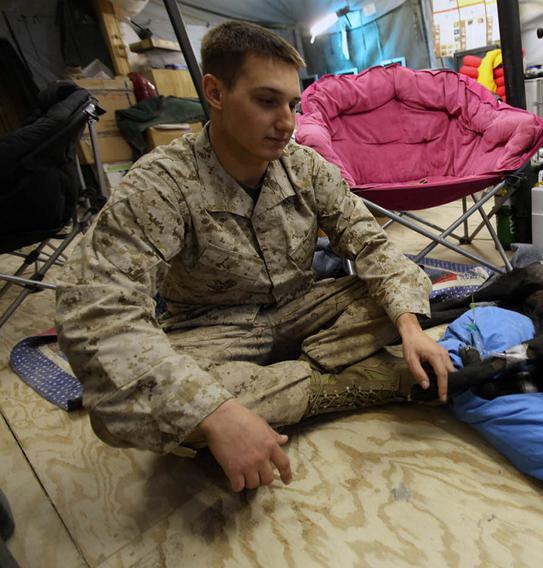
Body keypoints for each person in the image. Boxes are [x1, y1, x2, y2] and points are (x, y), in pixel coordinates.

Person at [55, 21, 453, 493]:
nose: (287, 122)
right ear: (216, 92)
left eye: (292, 105)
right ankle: (331, 383)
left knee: (402, 286)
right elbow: (97, 311)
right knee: (128, 397)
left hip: (303, 311)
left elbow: (370, 244)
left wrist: (409, 328)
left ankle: (264, 393)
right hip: (211, 333)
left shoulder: (305, 166)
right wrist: (214, 411)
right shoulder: (160, 184)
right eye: (267, 102)